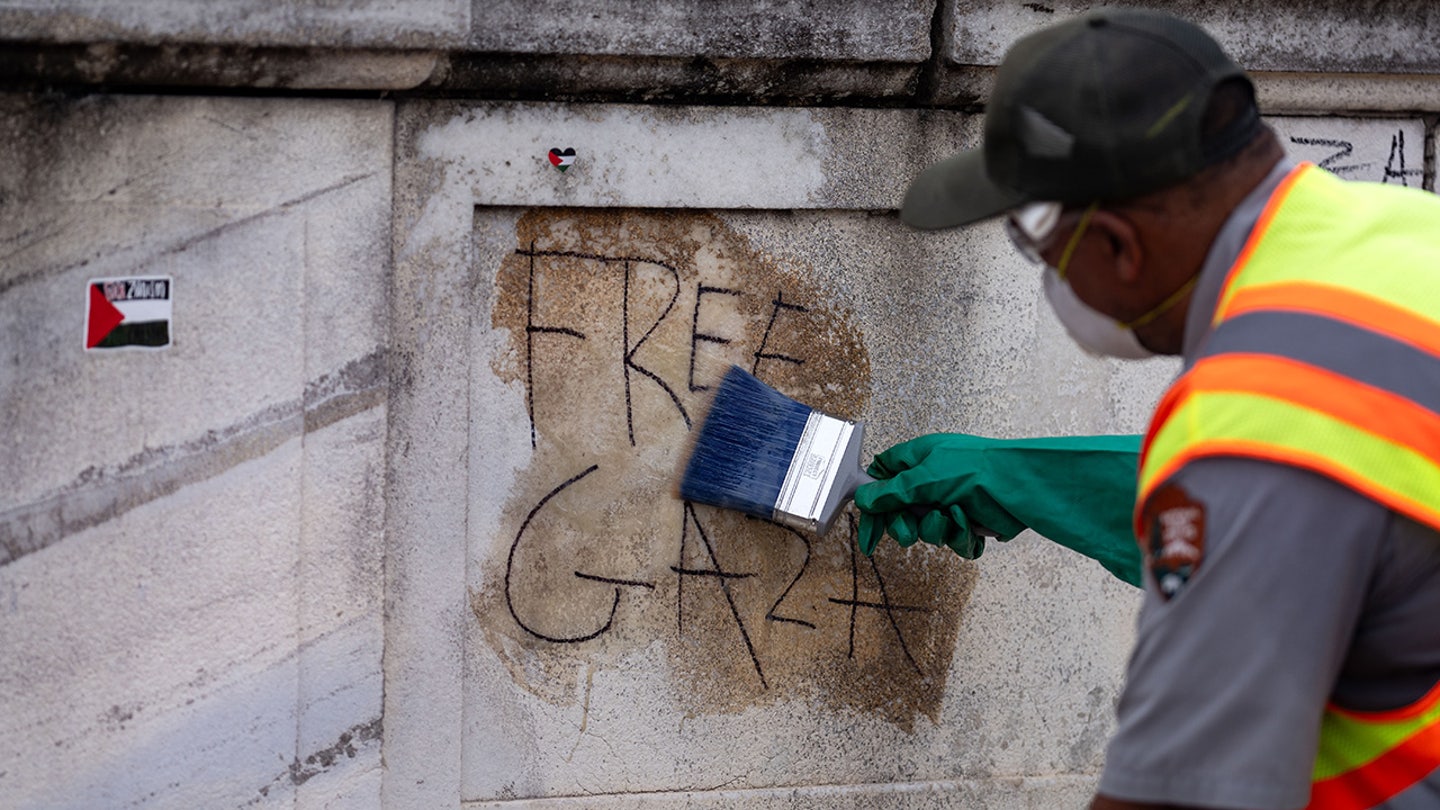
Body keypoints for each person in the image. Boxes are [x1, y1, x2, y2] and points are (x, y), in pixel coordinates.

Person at [854, 7, 1440, 809]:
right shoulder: (1404, 237)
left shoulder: (1248, 430)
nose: (1048, 277)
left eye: (1038, 248)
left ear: (1119, 246)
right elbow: (1342, 484)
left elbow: (1180, 795)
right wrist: (1025, 477)